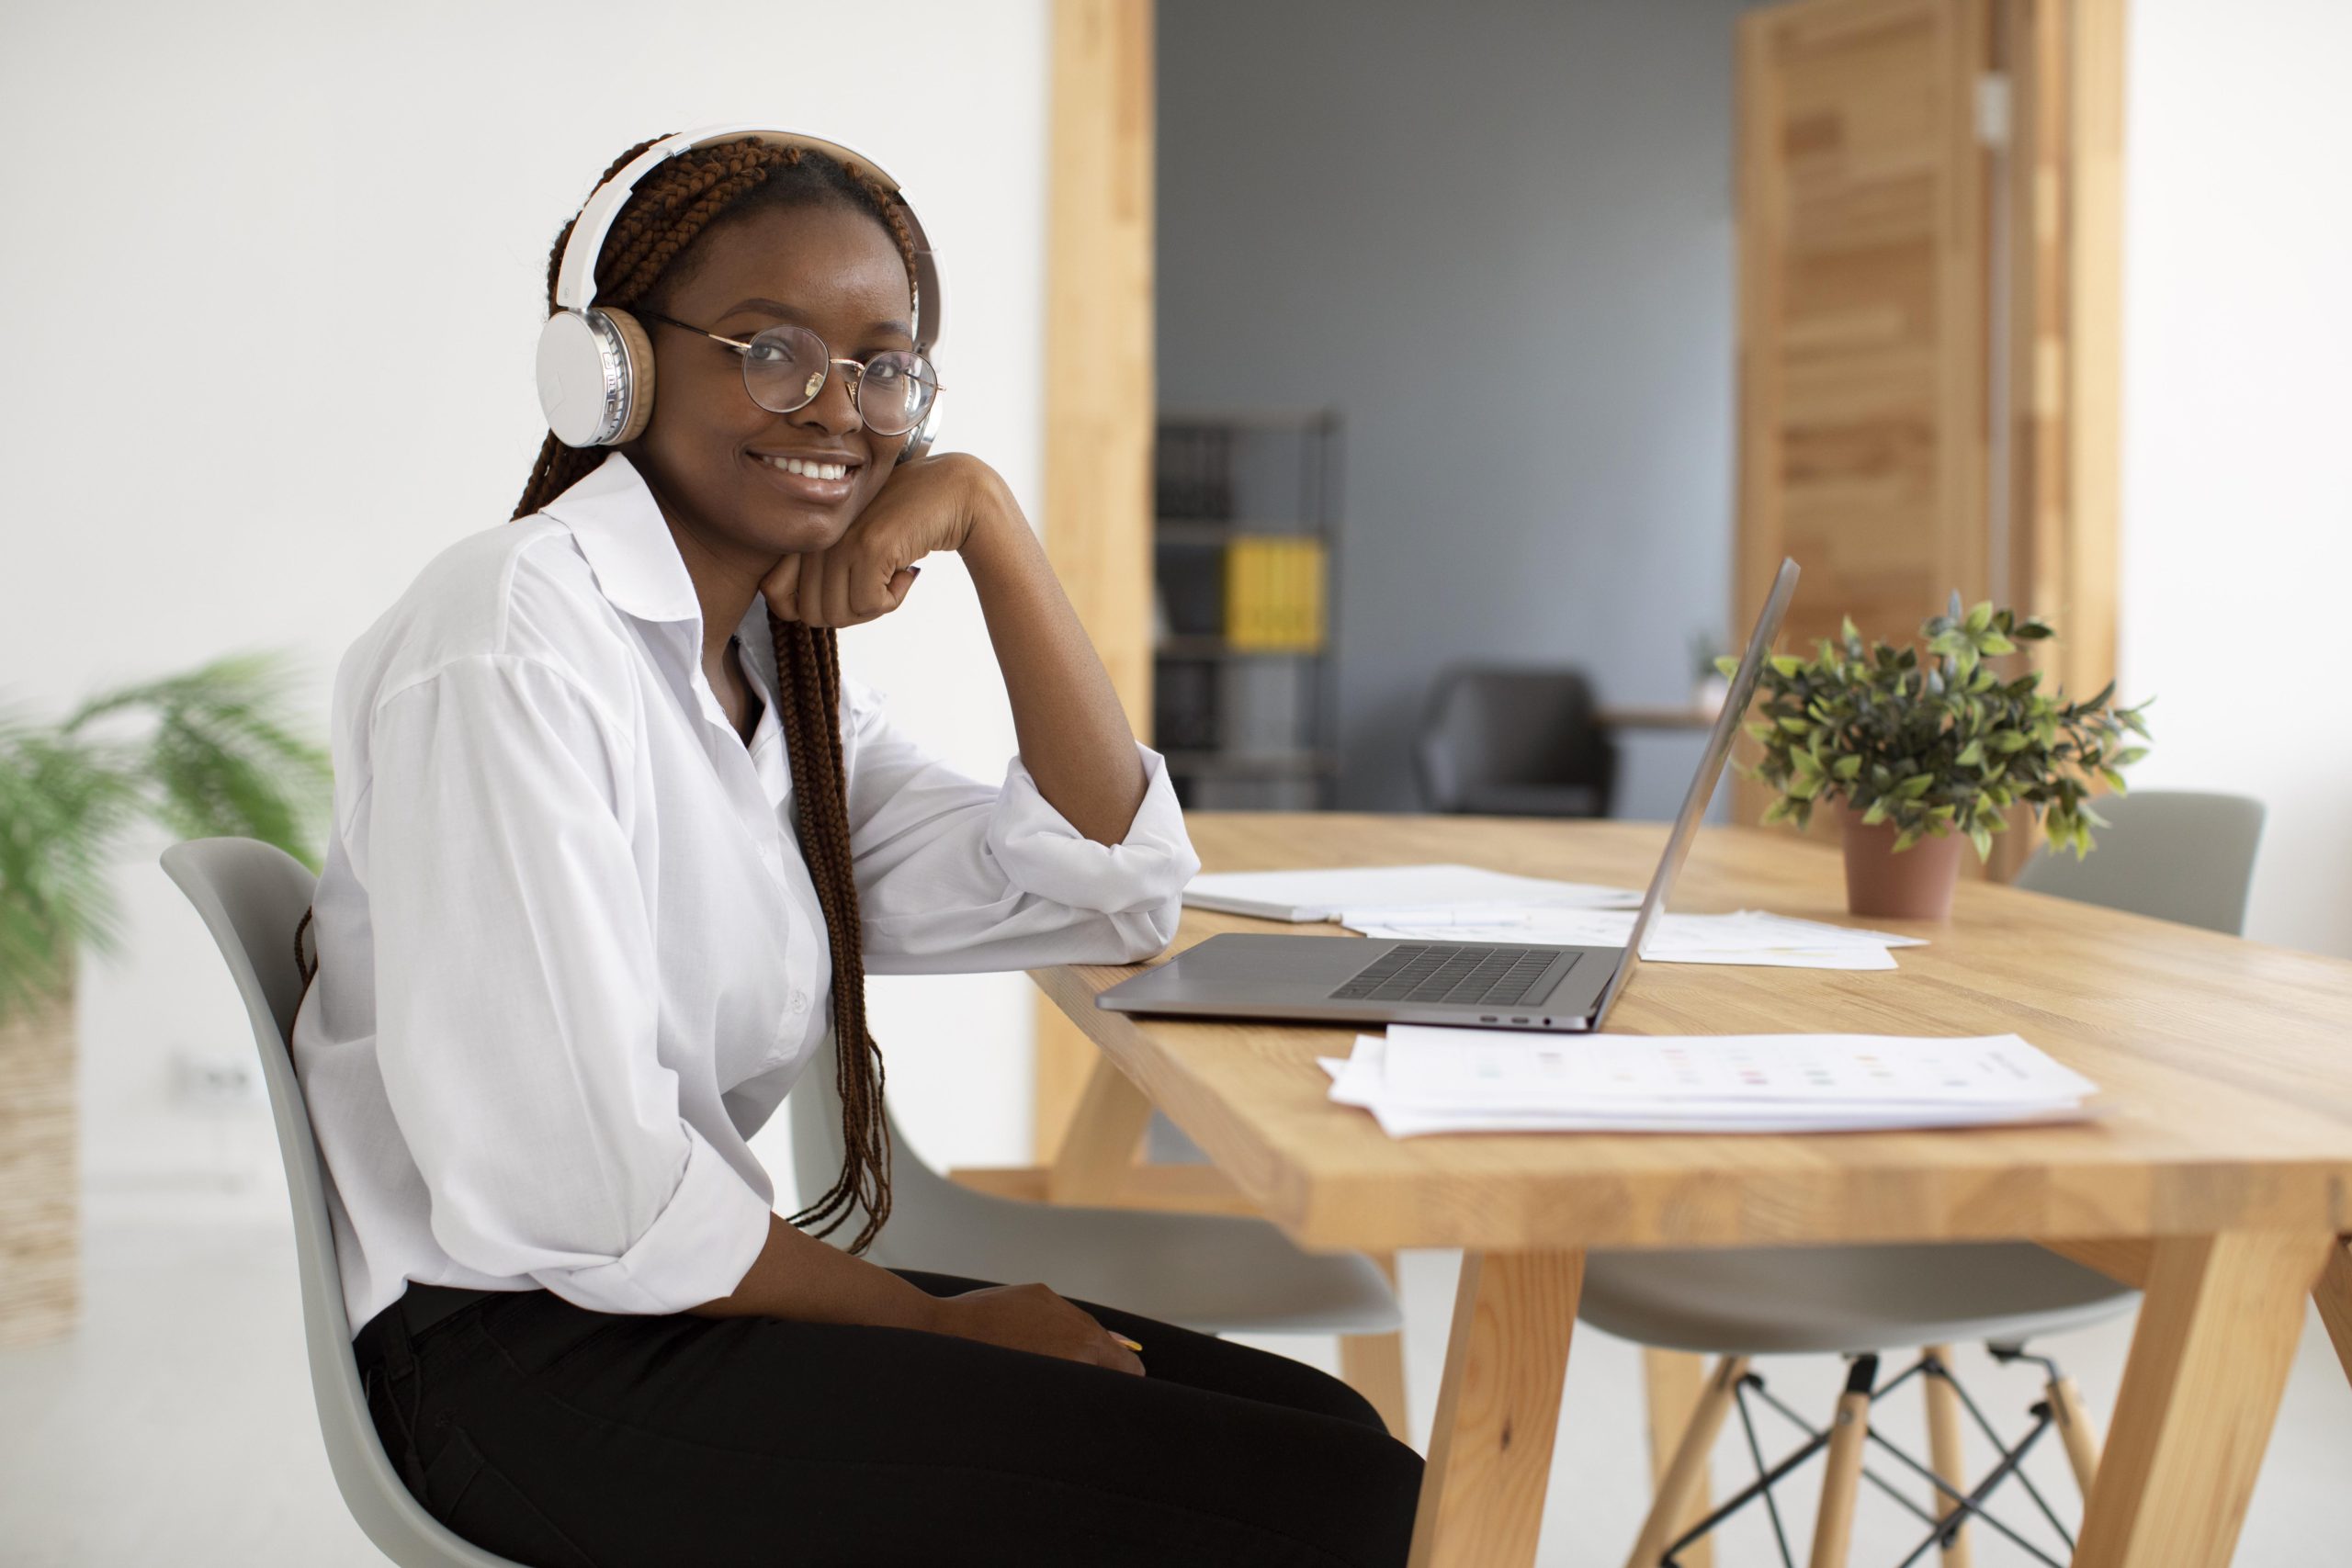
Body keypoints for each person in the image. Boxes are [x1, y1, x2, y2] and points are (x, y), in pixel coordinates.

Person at [288, 128, 1422, 1567]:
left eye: (886, 366)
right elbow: (575, 1198)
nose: (839, 408)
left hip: (655, 1305)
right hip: (516, 1364)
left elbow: (1114, 889)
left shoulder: (766, 676)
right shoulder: (514, 641)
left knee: (1338, 1443)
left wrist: (991, 524)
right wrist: (937, 1322)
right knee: (1332, 1506)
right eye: (772, 350)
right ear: (610, 368)